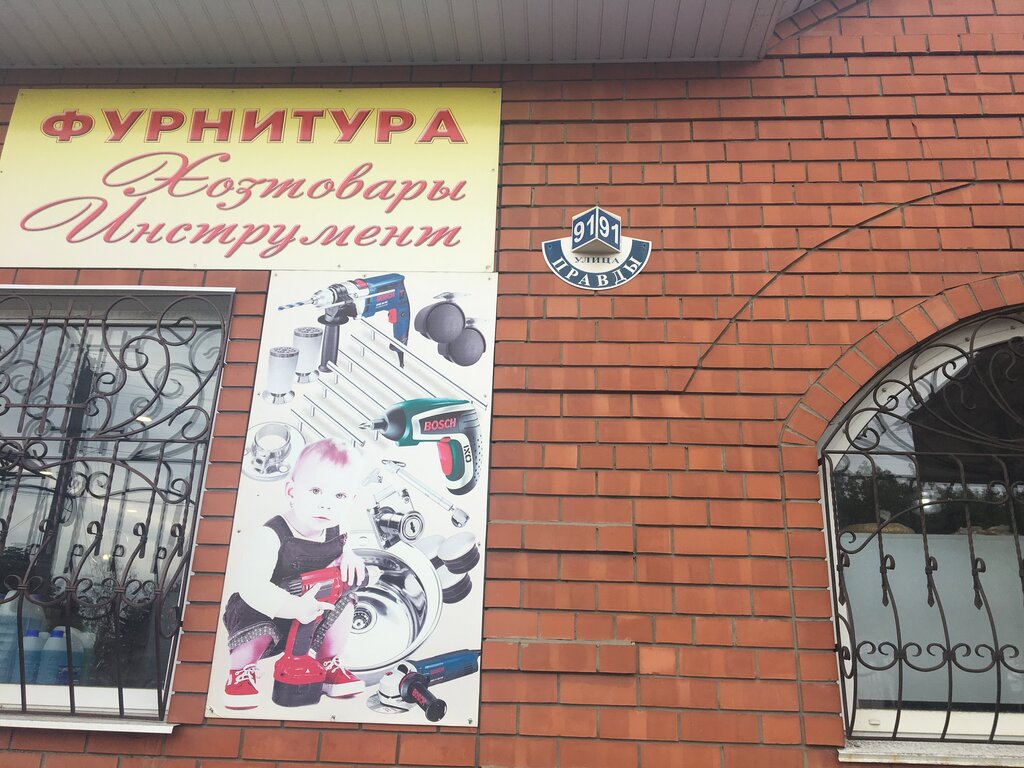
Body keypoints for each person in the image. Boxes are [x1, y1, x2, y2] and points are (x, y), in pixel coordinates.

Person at [221, 438, 366, 709]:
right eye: (316, 491)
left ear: (352, 500)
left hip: (312, 614)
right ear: (291, 491)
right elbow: (251, 586)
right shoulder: (271, 534)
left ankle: (327, 664)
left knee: (347, 599)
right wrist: (292, 606)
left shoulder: (339, 527)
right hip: (266, 612)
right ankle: (240, 672)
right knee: (249, 611)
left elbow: (347, 545)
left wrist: (350, 556)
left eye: (339, 496)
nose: (327, 504)